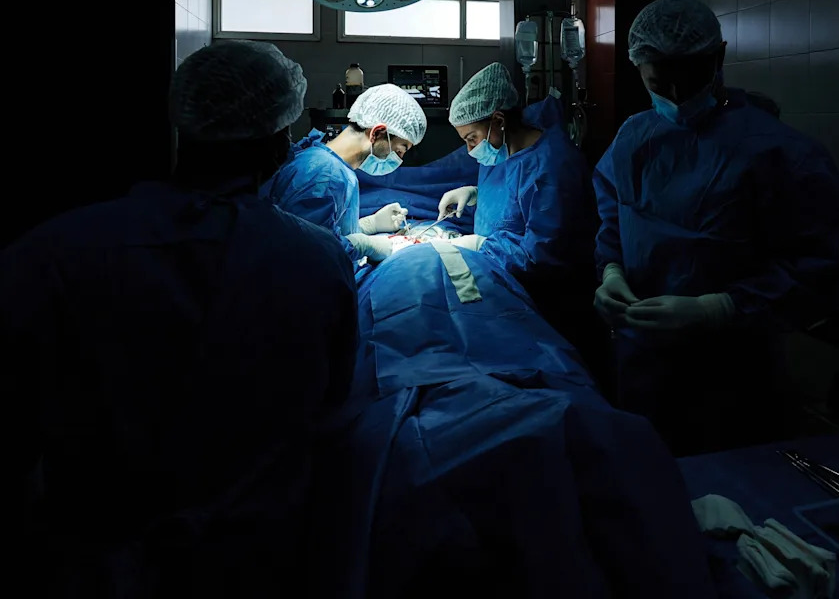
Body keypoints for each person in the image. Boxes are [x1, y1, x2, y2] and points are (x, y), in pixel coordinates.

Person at [5, 40, 359, 596]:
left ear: (184, 124)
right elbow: (333, 408)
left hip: (85, 555)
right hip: (256, 554)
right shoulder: (312, 259)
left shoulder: (54, 251)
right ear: (278, 139)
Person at [593, 0, 839, 456]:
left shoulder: (780, 153)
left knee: (735, 498)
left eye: (687, 79)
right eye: (659, 81)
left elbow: (820, 269)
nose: (674, 94)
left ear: (719, 57)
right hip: (642, 365)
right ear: (639, 69)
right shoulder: (635, 136)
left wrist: (720, 308)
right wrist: (611, 271)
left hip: (734, 373)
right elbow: (615, 213)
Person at [440, 64, 599, 364]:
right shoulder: (505, 151)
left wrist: (479, 246)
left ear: (498, 120)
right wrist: (473, 196)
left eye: (471, 138)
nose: (471, 148)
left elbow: (543, 256)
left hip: (550, 309)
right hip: (505, 289)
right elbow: (512, 203)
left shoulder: (553, 165)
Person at [262, 84, 427, 265]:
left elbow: (317, 229)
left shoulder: (325, 163)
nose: (399, 159)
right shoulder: (324, 174)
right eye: (400, 150)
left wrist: (369, 225)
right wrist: (365, 245)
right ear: (377, 133)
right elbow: (307, 253)